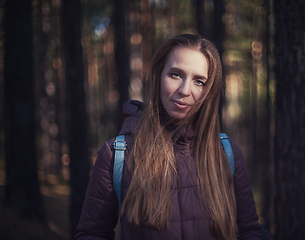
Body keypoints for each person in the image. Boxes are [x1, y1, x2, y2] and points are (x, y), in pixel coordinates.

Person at [75, 34, 262, 240]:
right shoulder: (116, 154)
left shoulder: (227, 153)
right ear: (158, 75)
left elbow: (250, 232)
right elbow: (92, 234)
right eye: (175, 75)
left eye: (199, 81)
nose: (184, 90)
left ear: (209, 91)